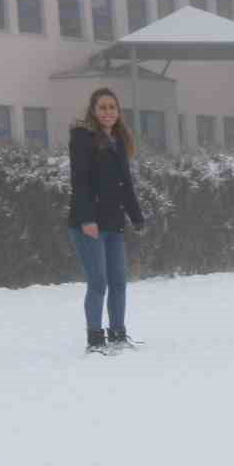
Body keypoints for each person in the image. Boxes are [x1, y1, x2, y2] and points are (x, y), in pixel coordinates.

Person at [68, 88, 144, 354]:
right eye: (103, 107)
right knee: (98, 281)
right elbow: (80, 181)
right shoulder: (82, 138)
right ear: (93, 110)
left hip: (113, 222)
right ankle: (95, 338)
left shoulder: (119, 140)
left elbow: (125, 183)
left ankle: (118, 333)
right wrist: (87, 219)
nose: (108, 112)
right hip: (88, 223)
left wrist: (136, 216)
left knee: (119, 281)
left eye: (112, 107)